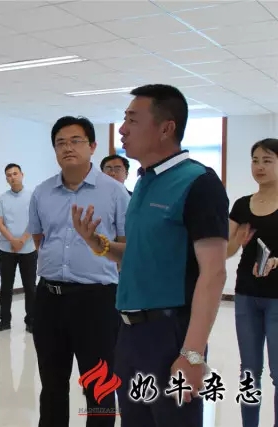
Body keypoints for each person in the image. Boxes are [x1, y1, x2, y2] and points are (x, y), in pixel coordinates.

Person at [72, 84, 229, 427]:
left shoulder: (199, 182)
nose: (123, 130)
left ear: (165, 128)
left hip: (170, 333)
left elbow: (214, 273)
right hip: (129, 333)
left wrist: (192, 354)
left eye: (132, 120)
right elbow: (142, 254)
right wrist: (99, 243)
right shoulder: (144, 182)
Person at [27, 116, 129, 427]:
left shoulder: (114, 192)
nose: (67, 148)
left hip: (97, 301)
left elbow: (127, 246)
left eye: (75, 141)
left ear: (92, 146)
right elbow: (40, 239)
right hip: (49, 298)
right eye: (60, 142)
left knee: (99, 387)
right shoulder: (42, 192)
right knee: (52, 384)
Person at [228, 138, 278, 427]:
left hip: (277, 299)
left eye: (267, 160)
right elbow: (226, 250)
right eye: (255, 160)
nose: (259, 166)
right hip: (246, 295)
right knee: (249, 371)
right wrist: (236, 240)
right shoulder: (242, 205)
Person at [0, 163, 36, 333]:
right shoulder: (2, 199)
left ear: (22, 175)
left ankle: (31, 321)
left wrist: (22, 240)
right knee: (6, 286)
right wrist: (12, 240)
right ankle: (4, 321)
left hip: (29, 249)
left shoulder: (32, 196)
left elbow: (35, 221)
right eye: (9, 175)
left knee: (30, 287)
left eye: (15, 173)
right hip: (6, 249)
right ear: (6, 179)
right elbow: (0, 223)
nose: (12, 177)